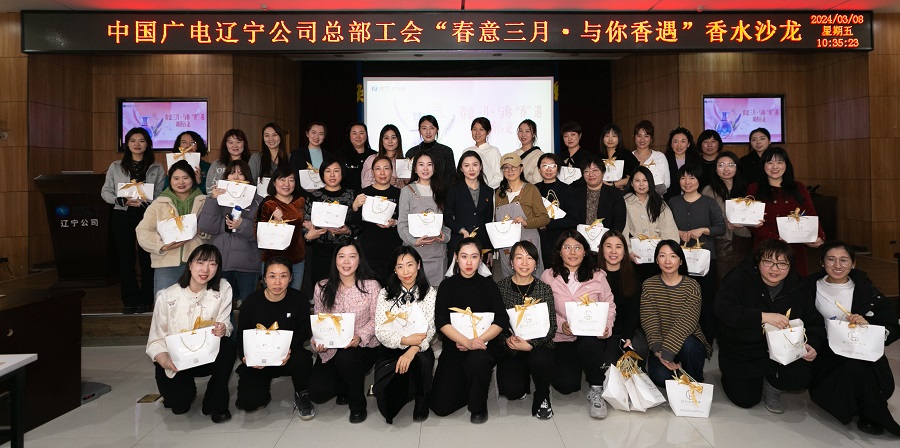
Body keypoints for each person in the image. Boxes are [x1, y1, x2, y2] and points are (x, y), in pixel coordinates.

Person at [716, 240, 822, 413]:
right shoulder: (739, 277)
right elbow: (723, 310)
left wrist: (813, 344)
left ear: (790, 266)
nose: (775, 269)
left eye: (782, 264)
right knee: (746, 399)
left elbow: (814, 322)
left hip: (783, 353)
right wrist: (763, 317)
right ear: (758, 261)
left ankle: (773, 386)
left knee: (800, 378)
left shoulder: (798, 286)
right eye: (768, 262)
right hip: (743, 352)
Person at [805, 241, 900, 435]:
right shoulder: (809, 287)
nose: (837, 265)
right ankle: (871, 414)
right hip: (825, 349)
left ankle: (866, 408)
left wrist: (867, 325)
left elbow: (891, 325)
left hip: (859, 347)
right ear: (822, 262)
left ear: (853, 263)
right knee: (852, 366)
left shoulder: (867, 290)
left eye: (844, 260)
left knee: (857, 364)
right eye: (831, 259)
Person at [145, 244, 236, 423]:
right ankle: (179, 391)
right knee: (179, 403)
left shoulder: (223, 288)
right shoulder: (167, 296)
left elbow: (225, 323)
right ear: (190, 265)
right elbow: (155, 340)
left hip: (207, 354)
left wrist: (223, 328)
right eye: (200, 263)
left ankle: (216, 404)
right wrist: (165, 362)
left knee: (228, 346)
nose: (205, 270)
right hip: (176, 359)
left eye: (212, 264)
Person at [431, 238, 510, 423]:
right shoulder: (446, 286)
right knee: (440, 407)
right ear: (456, 257)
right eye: (464, 256)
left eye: (474, 257)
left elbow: (501, 320)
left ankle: (478, 405)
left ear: (480, 259)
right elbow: (441, 321)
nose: (469, 262)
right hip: (455, 347)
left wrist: (476, 342)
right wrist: (466, 342)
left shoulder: (489, 285)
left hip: (483, 346)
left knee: (478, 360)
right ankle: (472, 385)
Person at [541, 230, 616, 419]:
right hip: (562, 337)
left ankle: (597, 388)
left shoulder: (598, 275)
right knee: (567, 386)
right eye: (567, 247)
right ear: (559, 251)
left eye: (577, 247)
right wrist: (561, 325)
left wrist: (606, 326)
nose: (572, 252)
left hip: (591, 336)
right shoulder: (548, 276)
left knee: (588, 344)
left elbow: (609, 304)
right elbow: (544, 309)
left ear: (585, 251)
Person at [308, 240, 381, 423]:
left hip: (362, 347)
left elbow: (377, 320)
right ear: (335, 260)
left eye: (352, 257)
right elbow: (319, 319)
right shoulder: (322, 287)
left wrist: (359, 336)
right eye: (341, 257)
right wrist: (317, 341)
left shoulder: (371, 286)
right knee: (317, 393)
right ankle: (344, 386)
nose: (346, 262)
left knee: (347, 359)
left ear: (359, 260)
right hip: (331, 348)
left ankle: (357, 405)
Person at [234, 257, 315, 419]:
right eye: (272, 276)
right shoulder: (251, 302)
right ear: (264, 278)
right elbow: (242, 334)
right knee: (249, 402)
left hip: (288, 356)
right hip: (260, 359)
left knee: (303, 358)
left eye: (283, 276)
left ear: (290, 278)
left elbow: (303, 332)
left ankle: (302, 393)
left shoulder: (299, 300)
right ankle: (262, 389)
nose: (277, 282)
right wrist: (245, 357)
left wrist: (287, 350)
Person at [101, 127, 165, 314]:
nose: (137, 144)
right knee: (126, 259)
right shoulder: (115, 166)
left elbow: (161, 193)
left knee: (147, 258)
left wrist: (149, 202)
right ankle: (129, 300)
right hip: (123, 214)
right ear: (127, 144)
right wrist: (118, 200)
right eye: (133, 141)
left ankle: (146, 299)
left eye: (141, 141)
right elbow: (105, 191)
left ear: (148, 144)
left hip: (147, 215)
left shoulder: (157, 167)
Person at [373, 246, 437, 424]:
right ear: (394, 269)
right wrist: (404, 340)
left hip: (419, 347)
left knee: (422, 361)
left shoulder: (430, 293)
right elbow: (380, 330)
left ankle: (422, 399)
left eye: (410, 265)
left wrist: (412, 349)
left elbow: (430, 330)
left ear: (418, 265)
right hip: (391, 348)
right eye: (400, 267)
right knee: (387, 403)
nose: (406, 271)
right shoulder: (385, 293)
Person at [495, 241, 557, 419]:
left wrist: (532, 345)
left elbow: (552, 327)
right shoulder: (501, 287)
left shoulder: (544, 289)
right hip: (512, 347)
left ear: (536, 263)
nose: (524, 263)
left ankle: (542, 395)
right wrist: (506, 340)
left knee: (541, 359)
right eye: (519, 257)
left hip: (538, 346)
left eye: (529, 258)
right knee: (511, 391)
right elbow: (497, 323)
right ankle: (523, 379)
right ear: (511, 262)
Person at [668, 163, 726, 344]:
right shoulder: (672, 202)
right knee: (680, 299)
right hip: (678, 260)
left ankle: (706, 339)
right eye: (683, 177)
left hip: (705, 260)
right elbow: (664, 226)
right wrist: (678, 233)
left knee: (705, 299)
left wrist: (704, 230)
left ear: (699, 180)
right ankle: (680, 339)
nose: (687, 182)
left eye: (692, 177)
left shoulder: (709, 202)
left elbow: (721, 228)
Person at [640, 240, 711, 386]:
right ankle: (676, 369)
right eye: (662, 256)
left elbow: (687, 322)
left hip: (687, 340)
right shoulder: (649, 285)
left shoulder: (692, 286)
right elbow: (649, 321)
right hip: (661, 343)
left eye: (673, 256)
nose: (667, 261)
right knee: (661, 378)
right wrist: (659, 352)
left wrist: (667, 353)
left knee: (689, 346)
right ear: (656, 260)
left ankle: (693, 378)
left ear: (681, 261)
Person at [746, 147, 824, 276]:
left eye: (780, 162)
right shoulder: (754, 189)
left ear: (787, 165)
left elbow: (811, 213)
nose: (775, 167)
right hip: (766, 247)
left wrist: (819, 236)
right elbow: (751, 222)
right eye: (770, 162)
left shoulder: (798, 187)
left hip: (795, 247)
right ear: (763, 165)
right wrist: (777, 239)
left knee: (796, 282)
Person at [136, 160, 209, 297]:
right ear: (170, 180)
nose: (181, 182)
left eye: (185, 178)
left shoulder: (205, 202)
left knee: (197, 304)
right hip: (166, 263)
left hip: (198, 263)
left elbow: (214, 229)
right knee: (165, 304)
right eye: (176, 178)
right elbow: (143, 230)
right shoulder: (158, 203)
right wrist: (161, 246)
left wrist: (202, 232)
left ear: (193, 179)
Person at [198, 160, 261, 307]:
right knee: (221, 307)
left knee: (249, 306)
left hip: (248, 262)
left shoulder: (257, 200)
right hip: (221, 260)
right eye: (232, 173)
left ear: (248, 177)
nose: (236, 177)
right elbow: (206, 226)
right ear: (226, 177)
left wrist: (242, 225)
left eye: (241, 173)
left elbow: (261, 233)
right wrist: (212, 200)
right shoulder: (218, 197)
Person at [302, 154, 359, 286]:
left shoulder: (351, 195)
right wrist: (309, 235)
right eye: (328, 171)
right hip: (320, 251)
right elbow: (305, 225)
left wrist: (347, 231)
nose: (332, 175)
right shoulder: (314, 196)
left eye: (336, 171)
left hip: (345, 252)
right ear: (322, 174)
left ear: (342, 173)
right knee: (321, 289)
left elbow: (358, 224)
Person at [397, 152, 450, 288]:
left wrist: (445, 236)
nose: (425, 169)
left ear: (434, 168)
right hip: (413, 253)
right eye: (421, 165)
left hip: (437, 254)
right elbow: (402, 223)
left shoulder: (442, 190)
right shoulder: (407, 191)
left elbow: (448, 222)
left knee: (437, 294)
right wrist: (414, 241)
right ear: (415, 169)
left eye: (429, 165)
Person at [495, 152, 550, 278]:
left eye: (514, 167)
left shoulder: (531, 189)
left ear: (521, 168)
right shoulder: (499, 192)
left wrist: (526, 222)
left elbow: (544, 218)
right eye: (506, 167)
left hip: (528, 242)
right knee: (509, 281)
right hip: (506, 245)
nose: (510, 171)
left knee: (531, 278)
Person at [701, 151, 753, 282]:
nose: (726, 169)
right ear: (715, 168)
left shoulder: (747, 189)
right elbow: (704, 218)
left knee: (743, 279)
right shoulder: (709, 190)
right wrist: (725, 224)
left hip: (744, 240)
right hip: (721, 242)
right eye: (721, 165)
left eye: (730, 165)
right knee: (723, 280)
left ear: (737, 167)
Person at [597, 230, 648, 362]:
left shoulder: (633, 275)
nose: (613, 251)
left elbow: (634, 311)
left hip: (624, 329)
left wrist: (627, 336)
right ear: (601, 249)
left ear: (625, 251)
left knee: (638, 348)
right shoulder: (592, 275)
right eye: (608, 246)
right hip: (599, 330)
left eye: (618, 247)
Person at [622, 166, 679, 280]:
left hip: (658, 256)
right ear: (632, 183)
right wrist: (628, 252)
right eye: (637, 181)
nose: (641, 184)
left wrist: (667, 254)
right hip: (634, 255)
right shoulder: (624, 202)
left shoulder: (660, 203)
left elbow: (669, 230)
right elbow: (623, 229)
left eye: (645, 180)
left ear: (650, 182)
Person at [352, 155, 402, 283]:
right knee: (371, 286)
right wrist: (355, 206)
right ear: (372, 172)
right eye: (378, 169)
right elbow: (356, 224)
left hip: (393, 247)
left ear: (392, 171)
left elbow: (404, 220)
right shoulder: (364, 193)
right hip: (369, 249)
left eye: (386, 168)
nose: (382, 173)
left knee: (392, 285)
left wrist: (394, 222)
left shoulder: (399, 193)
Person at [258, 166, 307, 290]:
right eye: (282, 179)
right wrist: (275, 222)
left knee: (294, 296)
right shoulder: (267, 203)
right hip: (272, 260)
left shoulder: (301, 201)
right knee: (271, 296)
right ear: (274, 183)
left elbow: (305, 229)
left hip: (296, 259)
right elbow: (258, 235)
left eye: (291, 180)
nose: (287, 184)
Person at [443, 150, 494, 256]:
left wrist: (489, 249)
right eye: (466, 165)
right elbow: (447, 218)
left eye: (475, 165)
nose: (471, 169)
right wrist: (461, 230)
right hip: (459, 242)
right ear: (461, 169)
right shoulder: (453, 190)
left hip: (481, 245)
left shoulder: (488, 191)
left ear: (480, 167)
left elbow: (488, 222)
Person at [533, 153, 579, 269]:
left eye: (553, 166)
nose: (548, 169)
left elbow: (574, 219)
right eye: (544, 166)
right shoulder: (533, 189)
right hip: (538, 238)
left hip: (560, 239)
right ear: (539, 169)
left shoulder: (567, 189)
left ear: (558, 168)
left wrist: (548, 224)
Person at [573, 154, 627, 234]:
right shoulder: (575, 193)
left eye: (595, 170)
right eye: (586, 171)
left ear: (603, 172)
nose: (591, 174)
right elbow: (572, 220)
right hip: (580, 237)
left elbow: (619, 221)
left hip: (607, 238)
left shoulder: (614, 193)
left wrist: (610, 238)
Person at [405, 115, 455, 189]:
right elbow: (408, 178)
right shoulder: (411, 152)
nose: (428, 132)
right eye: (424, 128)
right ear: (419, 131)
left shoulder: (446, 151)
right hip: (416, 193)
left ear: (437, 130)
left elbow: (451, 178)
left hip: (441, 193)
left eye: (432, 128)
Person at [631, 120, 670, 195]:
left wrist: (650, 195)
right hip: (633, 199)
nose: (642, 140)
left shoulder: (660, 156)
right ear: (634, 137)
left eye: (646, 136)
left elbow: (667, 182)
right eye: (639, 136)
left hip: (656, 197)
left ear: (651, 139)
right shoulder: (628, 157)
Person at [362, 124, 406, 189]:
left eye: (393, 138)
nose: (390, 141)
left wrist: (406, 183)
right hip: (376, 195)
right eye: (386, 138)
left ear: (398, 140)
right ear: (381, 140)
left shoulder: (404, 162)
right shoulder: (372, 159)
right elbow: (365, 185)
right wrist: (385, 182)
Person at [463, 117, 502, 189]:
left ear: (488, 132)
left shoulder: (493, 151)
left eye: (481, 129)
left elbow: (499, 176)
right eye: (474, 129)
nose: (477, 133)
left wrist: (485, 188)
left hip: (487, 192)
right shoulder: (466, 151)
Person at [338, 121, 376, 193]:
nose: (358, 137)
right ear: (349, 135)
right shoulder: (339, 155)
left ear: (366, 135)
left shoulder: (374, 156)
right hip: (346, 196)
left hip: (370, 195)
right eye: (354, 133)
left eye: (361, 133)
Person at [599, 123, 639, 190]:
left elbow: (632, 177)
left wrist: (613, 185)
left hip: (622, 192)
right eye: (607, 136)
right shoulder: (597, 157)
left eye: (614, 136)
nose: (610, 139)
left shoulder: (627, 155)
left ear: (619, 138)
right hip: (601, 191)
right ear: (602, 138)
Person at [663, 127, 700, 200]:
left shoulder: (696, 160)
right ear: (671, 144)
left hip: (693, 199)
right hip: (671, 200)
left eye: (683, 141)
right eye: (675, 141)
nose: (679, 145)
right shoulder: (664, 160)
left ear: (688, 144)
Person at [514, 119, 544, 184]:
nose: (523, 134)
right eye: (521, 131)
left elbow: (537, 181)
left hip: (531, 189)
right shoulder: (514, 154)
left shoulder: (539, 155)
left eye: (527, 131)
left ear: (534, 134)